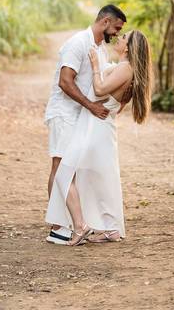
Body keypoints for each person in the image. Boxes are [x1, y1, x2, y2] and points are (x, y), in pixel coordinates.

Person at [45, 30, 152, 246]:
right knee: (101, 178)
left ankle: (80, 226)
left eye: (123, 38)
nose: (119, 39)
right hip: (99, 125)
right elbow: (116, 105)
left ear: (128, 47)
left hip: (96, 127)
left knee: (63, 174)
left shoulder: (125, 68)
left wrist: (95, 65)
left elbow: (100, 88)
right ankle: (111, 228)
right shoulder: (124, 68)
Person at [42, 5, 127, 244]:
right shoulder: (77, 43)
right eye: (116, 28)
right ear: (105, 21)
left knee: (71, 169)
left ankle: (70, 223)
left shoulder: (100, 49)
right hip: (64, 114)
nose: (117, 34)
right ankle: (59, 227)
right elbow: (65, 82)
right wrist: (91, 106)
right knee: (60, 166)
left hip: (80, 116)